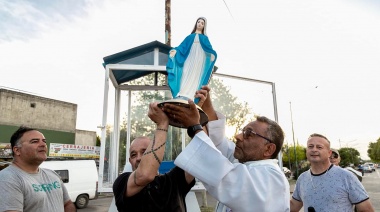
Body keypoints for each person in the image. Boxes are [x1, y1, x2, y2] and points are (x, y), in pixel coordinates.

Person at [163, 86, 290, 212]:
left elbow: (222, 174)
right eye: (243, 131)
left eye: (249, 134)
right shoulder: (245, 163)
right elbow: (217, 144)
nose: (238, 136)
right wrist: (206, 104)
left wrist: (194, 126)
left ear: (268, 149)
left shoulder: (271, 179)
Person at [112, 102, 195, 211]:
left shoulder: (173, 181)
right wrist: (162, 124)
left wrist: (196, 120)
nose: (138, 158)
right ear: (130, 161)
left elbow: (199, 154)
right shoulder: (122, 183)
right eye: (133, 154)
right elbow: (145, 175)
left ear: (159, 154)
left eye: (145, 152)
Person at [290, 133, 374, 212]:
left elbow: (366, 209)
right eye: (310, 146)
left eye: (319, 147)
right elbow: (293, 206)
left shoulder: (346, 176)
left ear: (329, 153)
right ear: (306, 151)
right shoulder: (302, 178)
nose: (314, 150)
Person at [0, 126, 76, 212]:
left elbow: (67, 204)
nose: (43, 144)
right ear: (17, 150)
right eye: (35, 141)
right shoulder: (7, 179)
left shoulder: (52, 174)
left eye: (44, 141)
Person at [166, 17, 217, 103]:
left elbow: (209, 49)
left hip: (198, 61)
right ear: (196, 23)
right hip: (189, 59)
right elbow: (181, 47)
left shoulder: (205, 38)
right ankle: (182, 92)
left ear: (204, 26)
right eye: (198, 22)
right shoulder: (190, 37)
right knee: (185, 73)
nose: (200, 24)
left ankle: (191, 95)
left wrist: (212, 55)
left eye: (202, 23)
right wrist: (175, 51)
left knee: (195, 75)